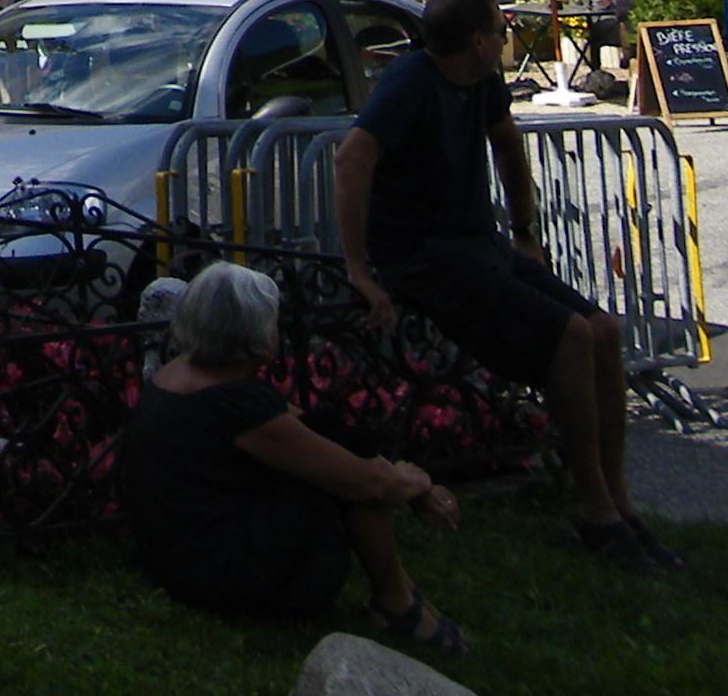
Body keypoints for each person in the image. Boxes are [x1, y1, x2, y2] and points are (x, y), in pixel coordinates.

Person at [334, 0, 670, 567]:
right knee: (569, 337)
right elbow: (352, 157)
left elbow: (509, 147)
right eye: (499, 27)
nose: (505, 35)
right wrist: (360, 268)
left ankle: (620, 501)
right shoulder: (412, 82)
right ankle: (594, 510)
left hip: (479, 246)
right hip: (424, 258)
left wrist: (525, 233)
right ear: (477, 41)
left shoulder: (481, 82)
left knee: (605, 333)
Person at [118, 260, 467, 658]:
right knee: (350, 478)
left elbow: (314, 431)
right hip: (219, 574)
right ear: (257, 336)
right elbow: (368, 484)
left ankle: (399, 593)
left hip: (171, 557)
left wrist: (397, 479)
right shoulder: (237, 405)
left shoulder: (179, 375)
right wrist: (417, 485)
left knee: (335, 437)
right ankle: (398, 603)